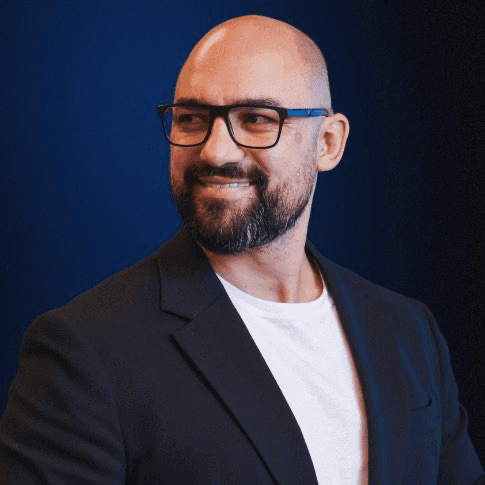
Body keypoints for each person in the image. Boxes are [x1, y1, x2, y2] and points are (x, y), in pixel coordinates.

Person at [0, 14, 483, 485]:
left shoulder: (408, 330)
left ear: (328, 143)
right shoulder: (85, 352)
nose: (216, 151)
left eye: (256, 119)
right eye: (192, 118)